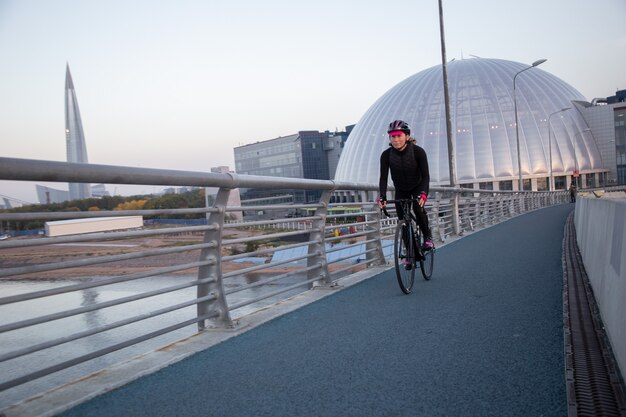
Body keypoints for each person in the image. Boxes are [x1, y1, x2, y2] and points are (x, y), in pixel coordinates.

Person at [377, 119, 433, 255]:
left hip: (417, 186)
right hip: (401, 189)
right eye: (393, 136)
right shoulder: (386, 155)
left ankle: (427, 238)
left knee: (417, 208)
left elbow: (426, 176)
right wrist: (382, 196)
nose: (396, 140)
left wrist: (424, 193)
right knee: (402, 221)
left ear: (407, 136)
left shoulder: (418, 152)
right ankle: (409, 252)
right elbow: (383, 178)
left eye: (399, 136)